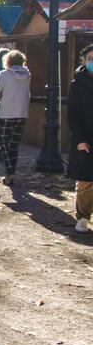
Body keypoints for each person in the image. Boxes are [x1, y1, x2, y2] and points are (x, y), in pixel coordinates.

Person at [0, 50, 31, 186]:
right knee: (14, 145)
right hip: (22, 113)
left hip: (6, 113)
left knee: (2, 142)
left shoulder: (4, 74)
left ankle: (9, 171)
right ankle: (11, 172)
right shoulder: (27, 74)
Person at [67, 44, 93, 233]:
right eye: (90, 58)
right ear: (84, 60)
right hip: (85, 137)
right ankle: (83, 217)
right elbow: (73, 114)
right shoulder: (78, 83)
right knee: (85, 181)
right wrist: (79, 138)